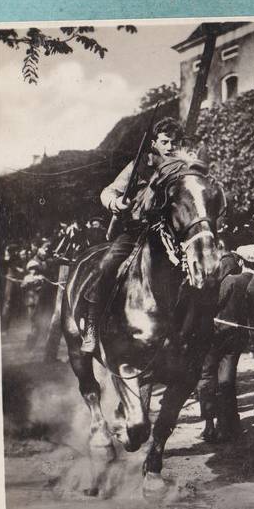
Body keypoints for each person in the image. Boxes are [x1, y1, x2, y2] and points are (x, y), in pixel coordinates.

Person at [81, 117, 185, 353]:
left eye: (175, 142)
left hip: (173, 234)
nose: (171, 147)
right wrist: (117, 203)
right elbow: (108, 192)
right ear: (155, 143)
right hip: (138, 232)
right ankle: (92, 326)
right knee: (107, 266)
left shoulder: (183, 169)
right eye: (166, 141)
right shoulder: (139, 166)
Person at [197, 242, 254, 442]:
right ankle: (227, 425)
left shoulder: (232, 281)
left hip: (215, 334)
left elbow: (214, 304)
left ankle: (209, 425)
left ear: (241, 261)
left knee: (207, 376)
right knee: (226, 380)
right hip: (238, 338)